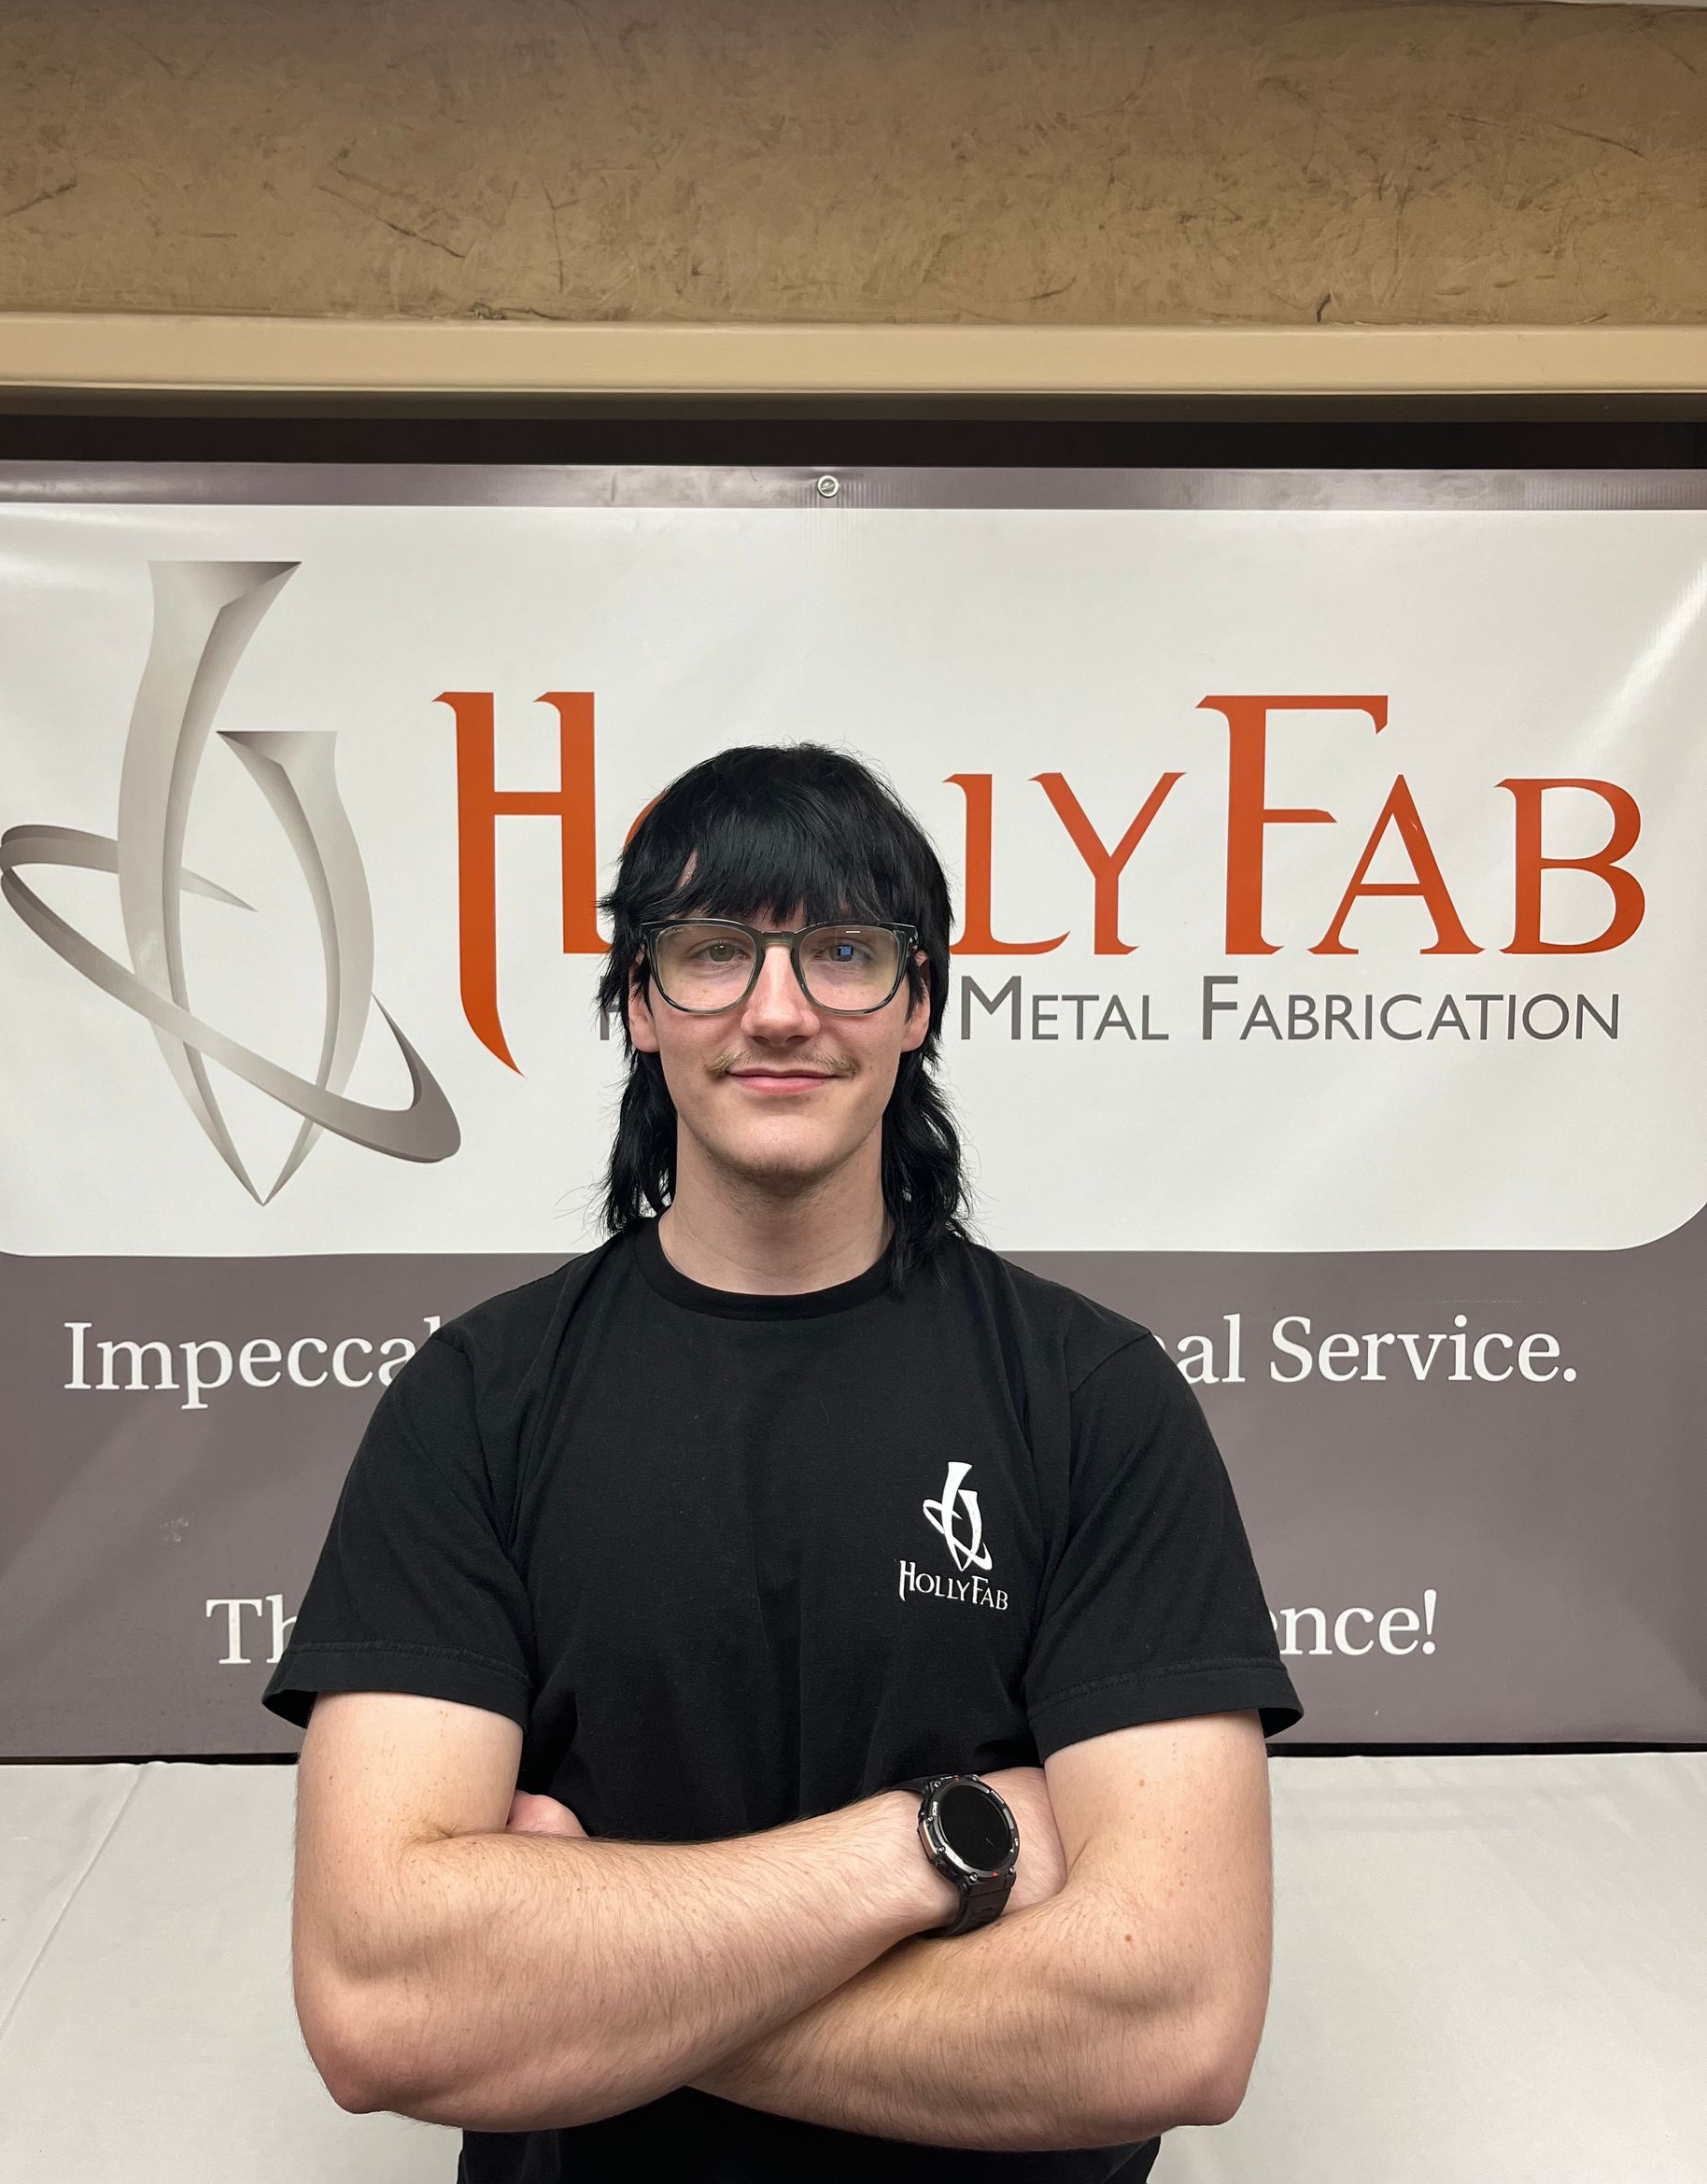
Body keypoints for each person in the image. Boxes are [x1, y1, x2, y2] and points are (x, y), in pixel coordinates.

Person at [261, 741, 1303, 2182]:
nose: (778, 1009)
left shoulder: (1092, 1396)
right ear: (637, 1001)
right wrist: (942, 1849)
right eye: (710, 953)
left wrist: (578, 1979)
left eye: (845, 952)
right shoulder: (476, 1401)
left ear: (918, 1001)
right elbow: (380, 2011)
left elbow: (1174, 2024)